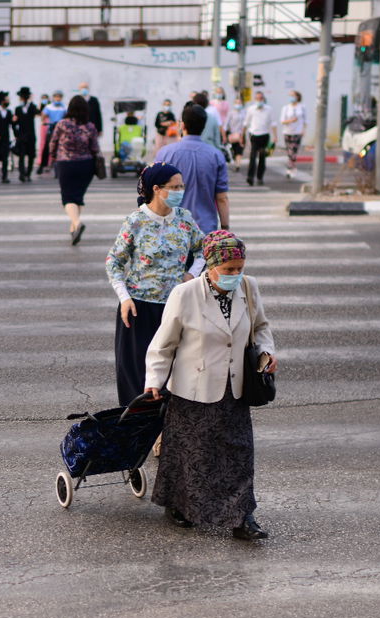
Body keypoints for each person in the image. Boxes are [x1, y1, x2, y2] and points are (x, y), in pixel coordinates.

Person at [144, 230, 277, 540]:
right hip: (194, 387)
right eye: (228, 269)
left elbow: (261, 327)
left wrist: (267, 353)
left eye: (239, 268)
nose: (235, 274)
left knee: (238, 453)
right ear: (211, 265)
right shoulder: (185, 294)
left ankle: (243, 517)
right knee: (194, 454)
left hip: (235, 387)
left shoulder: (248, 287)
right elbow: (164, 344)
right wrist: (154, 381)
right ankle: (181, 506)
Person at [105, 161, 206, 407]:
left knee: (175, 371)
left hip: (176, 306)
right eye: (175, 187)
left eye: (182, 186)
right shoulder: (135, 221)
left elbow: (203, 250)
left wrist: (191, 275)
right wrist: (124, 298)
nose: (180, 191)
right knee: (138, 376)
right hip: (139, 308)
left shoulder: (184, 218)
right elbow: (114, 262)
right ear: (157, 189)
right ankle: (139, 430)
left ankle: (167, 433)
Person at [155, 104, 231, 232]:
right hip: (205, 228)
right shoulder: (216, 155)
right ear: (203, 126)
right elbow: (222, 197)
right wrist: (225, 227)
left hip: (171, 229)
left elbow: (155, 193)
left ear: (182, 125)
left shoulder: (165, 154)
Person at [49, 92, 100, 245]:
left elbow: (53, 143)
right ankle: (73, 229)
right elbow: (95, 148)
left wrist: (52, 157)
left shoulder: (62, 124)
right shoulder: (90, 126)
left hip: (66, 163)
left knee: (68, 197)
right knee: (78, 196)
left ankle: (77, 223)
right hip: (86, 165)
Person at [244, 93, 274, 186]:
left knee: (262, 157)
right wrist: (242, 135)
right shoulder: (251, 109)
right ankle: (250, 177)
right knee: (252, 157)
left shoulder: (269, 109)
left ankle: (260, 177)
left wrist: (275, 136)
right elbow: (246, 123)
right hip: (254, 134)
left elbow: (273, 123)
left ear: (263, 99)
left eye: (261, 98)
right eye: (257, 98)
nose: (259, 100)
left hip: (264, 135)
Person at [278, 89, 308, 180]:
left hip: (297, 131)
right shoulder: (286, 108)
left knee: (294, 150)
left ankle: (290, 167)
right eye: (290, 96)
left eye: (293, 96)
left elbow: (305, 120)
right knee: (289, 150)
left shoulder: (302, 107)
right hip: (287, 131)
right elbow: (282, 121)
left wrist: (304, 130)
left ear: (298, 97)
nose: (291, 98)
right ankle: (292, 166)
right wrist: (291, 120)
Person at [12, 86, 39, 183]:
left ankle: (28, 173)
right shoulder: (18, 109)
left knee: (31, 156)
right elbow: (14, 123)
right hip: (21, 136)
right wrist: (16, 134)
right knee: (21, 156)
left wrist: (32, 102)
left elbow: (38, 112)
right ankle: (22, 174)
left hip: (31, 135)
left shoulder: (32, 107)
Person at [37, 90, 66, 174]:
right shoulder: (49, 107)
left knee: (61, 147)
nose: (58, 98)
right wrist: (44, 121)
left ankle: (59, 165)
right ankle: (42, 165)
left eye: (59, 97)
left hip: (60, 129)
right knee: (47, 147)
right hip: (52, 128)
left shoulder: (64, 107)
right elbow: (43, 116)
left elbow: (67, 116)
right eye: (56, 96)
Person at [225, 97, 247, 172]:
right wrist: (225, 134)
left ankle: (238, 164)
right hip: (233, 134)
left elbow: (246, 123)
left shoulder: (244, 112)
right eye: (237, 103)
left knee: (240, 149)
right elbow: (226, 124)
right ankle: (236, 161)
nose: (238, 104)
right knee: (234, 149)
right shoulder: (231, 113)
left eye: (239, 103)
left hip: (241, 134)